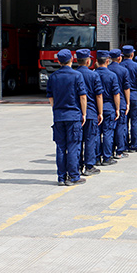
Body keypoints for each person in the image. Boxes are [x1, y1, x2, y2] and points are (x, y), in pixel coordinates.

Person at [47, 49, 87, 186]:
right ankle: (74, 176)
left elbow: (51, 97)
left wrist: (56, 110)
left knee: (60, 147)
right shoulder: (77, 75)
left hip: (59, 116)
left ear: (58, 62)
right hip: (73, 115)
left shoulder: (53, 77)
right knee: (73, 146)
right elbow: (82, 96)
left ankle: (61, 177)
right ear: (72, 59)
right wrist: (84, 113)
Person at [76, 49, 104, 171]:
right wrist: (100, 112)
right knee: (90, 139)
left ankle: (77, 165)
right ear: (88, 61)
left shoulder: (74, 74)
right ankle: (89, 166)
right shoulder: (93, 75)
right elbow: (99, 95)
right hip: (91, 111)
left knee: (77, 141)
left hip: (77, 112)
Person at [94, 50, 121, 167]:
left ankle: (96, 157)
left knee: (96, 134)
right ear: (107, 61)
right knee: (108, 133)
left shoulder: (93, 74)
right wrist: (117, 108)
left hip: (95, 107)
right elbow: (116, 94)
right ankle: (106, 157)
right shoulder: (112, 75)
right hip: (109, 107)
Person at [120, 45, 137, 153]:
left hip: (122, 97)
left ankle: (124, 144)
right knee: (135, 121)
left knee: (124, 123)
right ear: (132, 54)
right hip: (134, 96)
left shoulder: (120, 66)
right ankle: (134, 145)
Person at [109, 49, 131, 158]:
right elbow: (126, 88)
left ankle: (109, 151)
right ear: (119, 58)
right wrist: (127, 102)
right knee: (120, 127)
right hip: (121, 101)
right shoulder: (123, 70)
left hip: (108, 103)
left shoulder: (107, 69)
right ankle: (119, 151)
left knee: (109, 129)